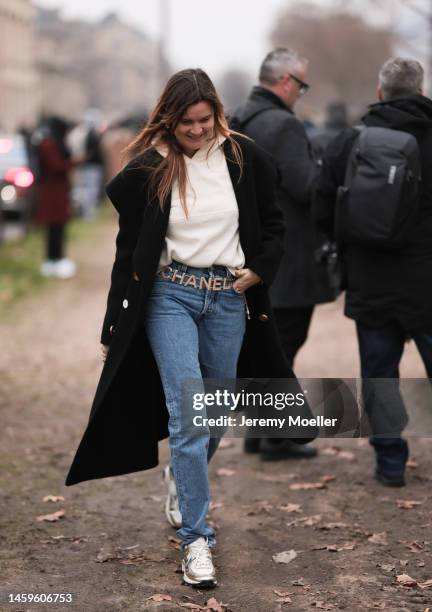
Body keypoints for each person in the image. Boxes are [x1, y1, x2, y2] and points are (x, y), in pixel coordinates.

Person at [65, 69, 315, 588]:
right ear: (169, 120)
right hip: (169, 295)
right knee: (189, 413)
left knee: (216, 408)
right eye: (187, 124)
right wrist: (114, 321)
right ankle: (197, 540)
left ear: (217, 115)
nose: (198, 131)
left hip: (229, 297)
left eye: (205, 120)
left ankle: (182, 477)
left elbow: (273, 223)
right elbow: (128, 252)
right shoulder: (150, 169)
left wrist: (260, 269)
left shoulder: (244, 158)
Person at [313, 57, 432, 487]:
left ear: (380, 92)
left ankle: (390, 462)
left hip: (370, 277)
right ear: (419, 91)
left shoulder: (349, 141)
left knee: (380, 372)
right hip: (427, 279)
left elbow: (321, 206)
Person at [231, 48, 335, 460]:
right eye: (302, 85)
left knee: (264, 343)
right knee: (284, 345)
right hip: (289, 255)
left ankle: (260, 434)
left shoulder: (238, 118)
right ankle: (276, 437)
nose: (301, 93)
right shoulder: (285, 126)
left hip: (249, 252)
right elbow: (306, 188)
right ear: (287, 81)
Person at [34, 116, 81, 279]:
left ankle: (57, 258)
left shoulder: (52, 143)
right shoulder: (48, 145)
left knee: (58, 229)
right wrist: (74, 162)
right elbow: (56, 166)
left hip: (58, 194)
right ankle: (52, 260)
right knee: (53, 229)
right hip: (52, 194)